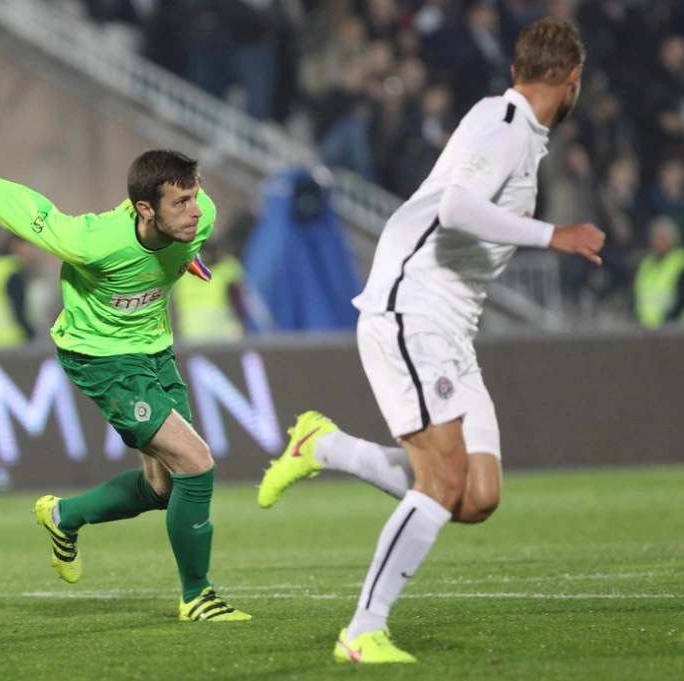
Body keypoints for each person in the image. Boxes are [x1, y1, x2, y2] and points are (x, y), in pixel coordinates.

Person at [257, 18, 603, 663]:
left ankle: (323, 446)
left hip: (453, 330)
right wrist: (552, 235)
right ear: (574, 79)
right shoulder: (502, 122)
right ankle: (363, 631)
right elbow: (456, 208)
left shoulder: (522, 136)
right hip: (411, 311)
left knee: (477, 496)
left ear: (517, 68)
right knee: (442, 480)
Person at [0, 150, 250, 621]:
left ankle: (64, 516)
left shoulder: (201, 218)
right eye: (181, 203)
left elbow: (180, 237)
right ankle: (197, 596)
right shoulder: (92, 241)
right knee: (196, 462)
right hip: (101, 358)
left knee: (163, 488)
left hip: (155, 350)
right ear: (145, 209)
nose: (195, 211)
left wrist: (186, 256)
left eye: (195, 197)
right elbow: (21, 207)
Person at [0, 235, 37, 348]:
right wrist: (31, 332)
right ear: (15, 245)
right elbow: (18, 306)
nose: (32, 252)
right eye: (29, 246)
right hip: (10, 341)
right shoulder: (10, 271)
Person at [634, 216, 684, 328]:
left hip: (674, 329)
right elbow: (637, 297)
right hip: (645, 329)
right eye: (654, 237)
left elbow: (680, 300)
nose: (656, 242)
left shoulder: (680, 262)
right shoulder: (646, 265)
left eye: (662, 238)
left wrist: (667, 321)